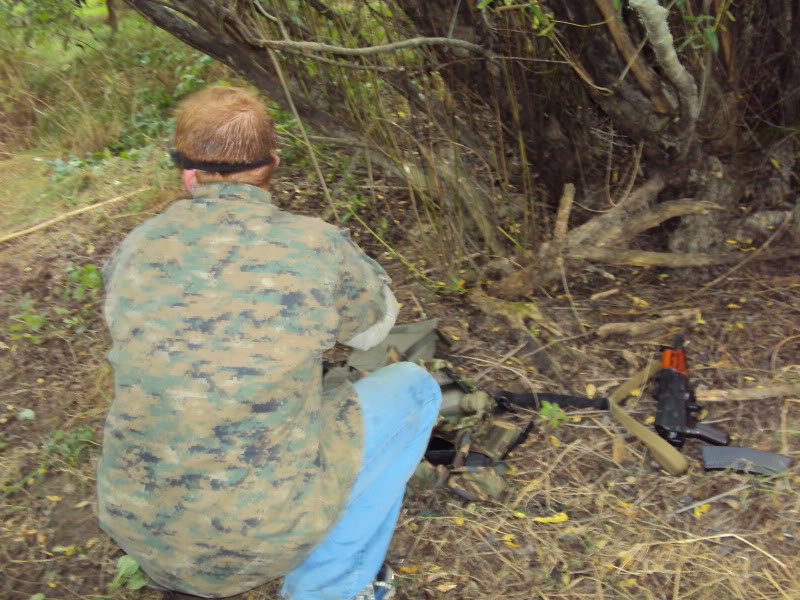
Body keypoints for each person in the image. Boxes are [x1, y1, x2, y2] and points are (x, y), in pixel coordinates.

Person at [96, 86, 442, 600]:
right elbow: (374, 329)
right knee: (414, 388)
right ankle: (329, 588)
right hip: (262, 529)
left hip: (139, 521)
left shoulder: (134, 248)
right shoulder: (314, 243)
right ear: (271, 164)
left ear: (186, 171)